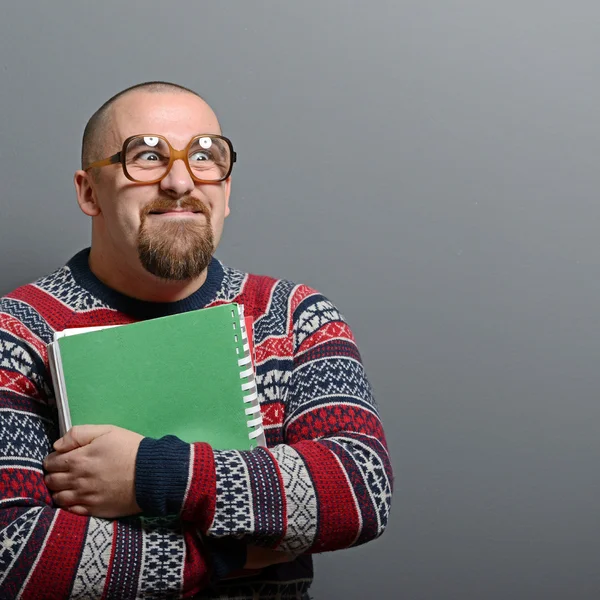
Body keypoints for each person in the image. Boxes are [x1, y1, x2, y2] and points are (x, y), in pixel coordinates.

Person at [0, 81, 393, 599]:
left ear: (226, 191)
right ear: (89, 191)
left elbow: (358, 487)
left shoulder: (296, 316)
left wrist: (149, 473)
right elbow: (16, 554)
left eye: (206, 156)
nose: (181, 180)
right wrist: (225, 554)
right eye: (146, 156)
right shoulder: (15, 331)